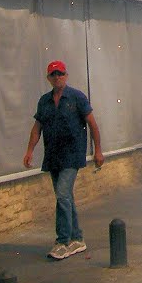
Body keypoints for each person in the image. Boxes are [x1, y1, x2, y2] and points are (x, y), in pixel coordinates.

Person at [23, 60, 104, 260]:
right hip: (53, 155)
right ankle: (77, 239)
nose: (57, 77)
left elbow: (92, 124)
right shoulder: (44, 101)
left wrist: (98, 151)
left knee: (62, 195)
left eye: (60, 73)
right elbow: (37, 127)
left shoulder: (76, 97)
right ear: (48, 78)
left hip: (72, 154)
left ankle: (62, 242)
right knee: (66, 196)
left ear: (66, 76)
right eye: (53, 74)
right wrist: (29, 150)